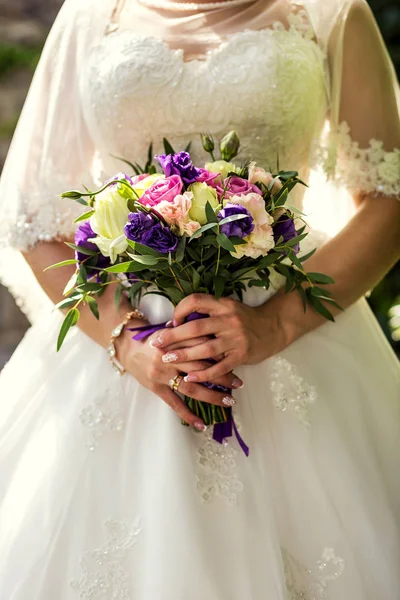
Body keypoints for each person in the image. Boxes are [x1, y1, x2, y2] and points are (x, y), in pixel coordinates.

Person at [0, 0, 399, 597]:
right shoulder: (91, 15)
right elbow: (35, 217)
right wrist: (126, 342)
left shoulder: (332, 11)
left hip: (296, 334)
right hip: (120, 345)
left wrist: (276, 325)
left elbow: (390, 196)